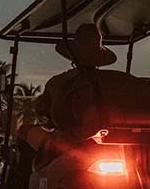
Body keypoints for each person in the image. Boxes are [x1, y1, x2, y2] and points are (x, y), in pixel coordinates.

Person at [16, 23, 117, 160]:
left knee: (24, 132)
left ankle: (24, 173)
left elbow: (44, 112)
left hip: (68, 142)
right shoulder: (112, 81)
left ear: (73, 55)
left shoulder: (57, 82)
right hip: (108, 140)